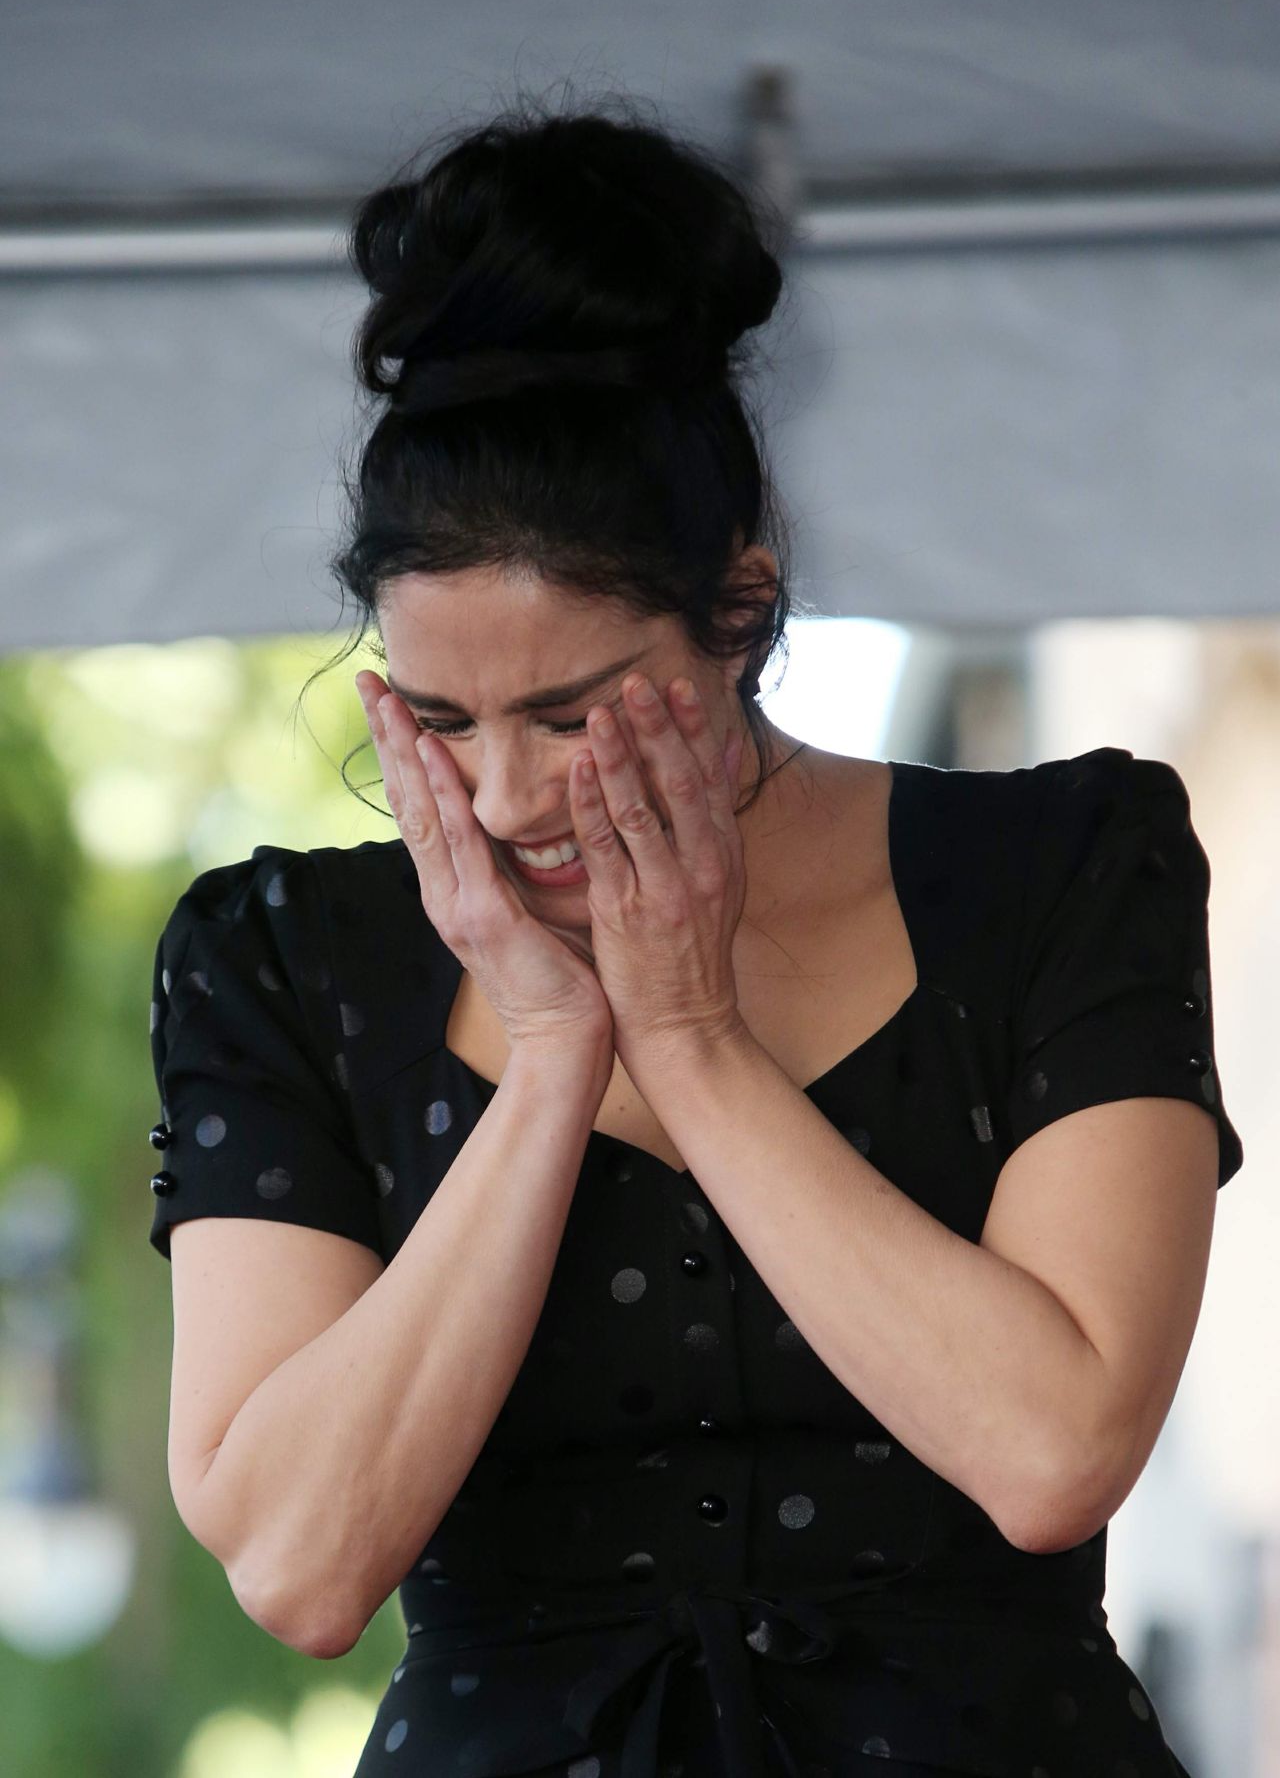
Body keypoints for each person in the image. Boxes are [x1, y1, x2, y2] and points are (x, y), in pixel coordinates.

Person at [145, 87, 1243, 1778]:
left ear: (740, 606)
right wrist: (548, 1071)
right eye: (435, 720)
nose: (504, 796)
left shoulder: (1064, 862)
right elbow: (299, 1563)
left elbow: (1052, 1449)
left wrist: (696, 1045)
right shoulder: (280, 953)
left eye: (574, 714)